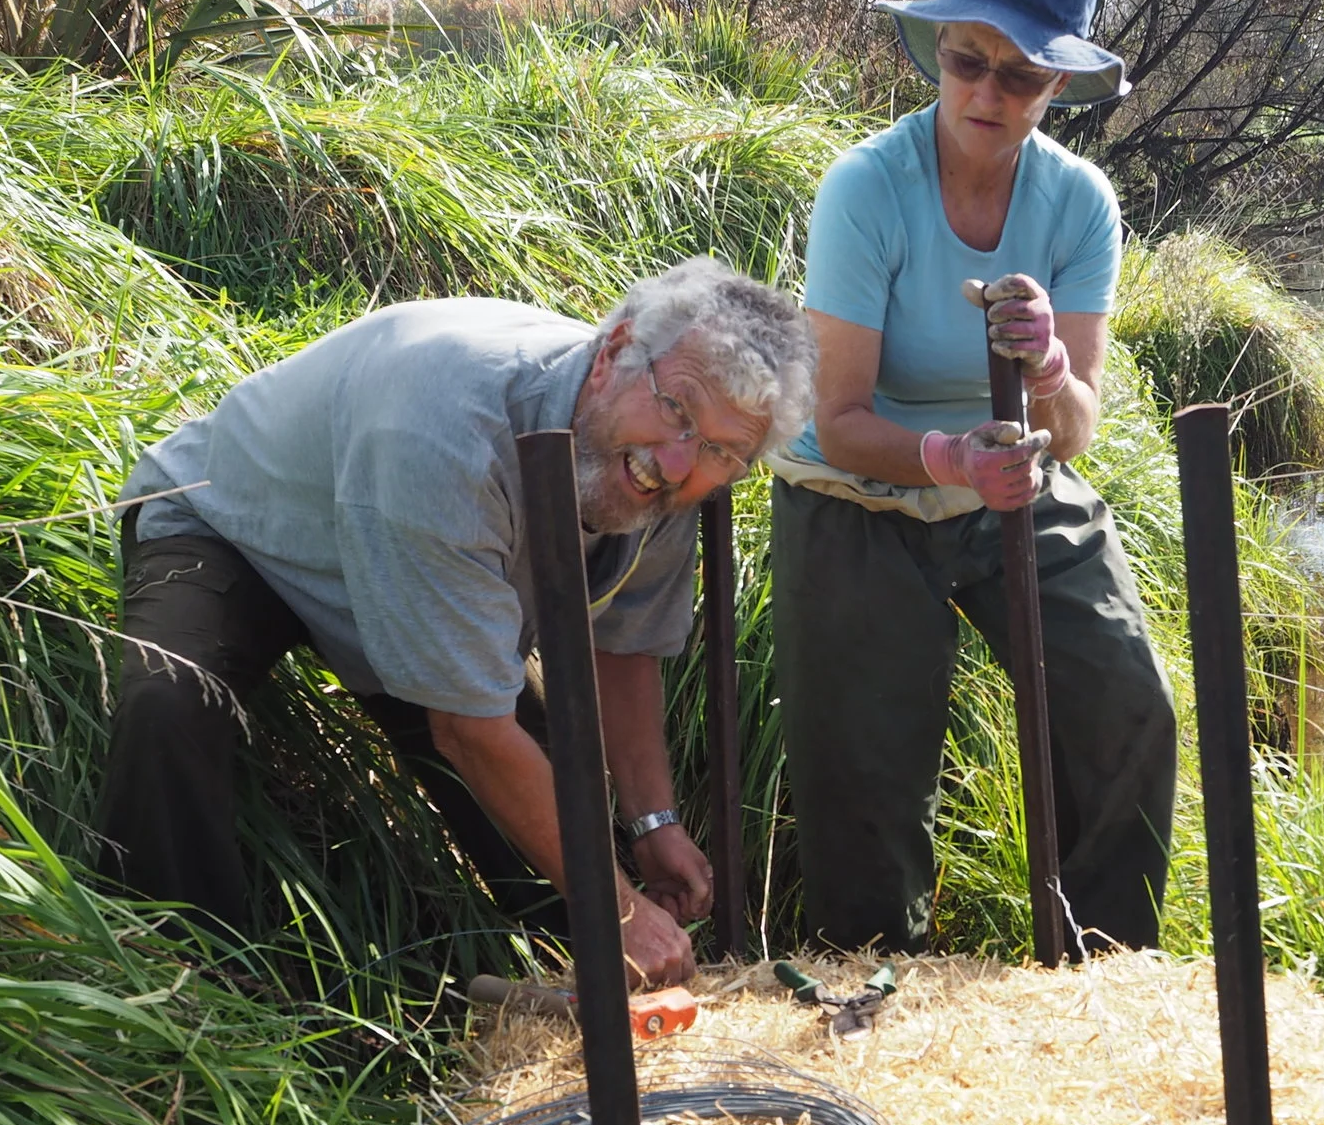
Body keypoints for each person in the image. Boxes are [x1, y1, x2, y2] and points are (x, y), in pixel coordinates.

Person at [97, 256, 815, 986]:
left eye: (723, 451)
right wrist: (622, 913)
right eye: (677, 411)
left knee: (556, 798)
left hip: (407, 552)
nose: (676, 461)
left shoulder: (658, 474)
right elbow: (468, 730)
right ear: (612, 354)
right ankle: (180, 986)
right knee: (170, 702)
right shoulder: (448, 430)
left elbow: (623, 646)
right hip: (238, 525)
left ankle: (591, 990)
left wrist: (651, 824)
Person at [770, 0, 1176, 956]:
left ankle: (1104, 973)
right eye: (967, 61)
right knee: (864, 766)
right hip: (861, 488)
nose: (988, 91)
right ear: (937, 55)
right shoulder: (867, 187)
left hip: (1018, 479)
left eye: (1022, 73)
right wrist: (950, 459)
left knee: (1127, 703)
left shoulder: (1080, 203)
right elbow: (840, 418)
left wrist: (1044, 373)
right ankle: (880, 985)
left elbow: (1075, 428)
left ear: (1054, 88)